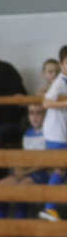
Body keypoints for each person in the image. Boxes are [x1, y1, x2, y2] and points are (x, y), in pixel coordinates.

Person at [0, 104, 48, 219]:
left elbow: (46, 162)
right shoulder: (27, 134)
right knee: (0, 186)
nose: (35, 117)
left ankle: (21, 223)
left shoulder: (49, 133)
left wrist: (26, 171)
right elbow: (24, 157)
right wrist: (18, 169)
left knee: (22, 187)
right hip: (27, 172)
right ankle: (0, 224)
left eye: (39, 113)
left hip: (42, 173)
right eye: (31, 113)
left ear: (45, 114)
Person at [39, 46, 67, 221]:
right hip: (56, 134)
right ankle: (49, 207)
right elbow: (46, 103)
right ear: (62, 65)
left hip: (63, 133)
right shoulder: (60, 82)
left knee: (63, 169)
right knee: (60, 168)